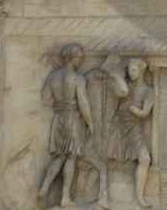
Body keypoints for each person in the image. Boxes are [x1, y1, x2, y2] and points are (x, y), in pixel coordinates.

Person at [37, 44, 94, 208]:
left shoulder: (52, 77)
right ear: (70, 57)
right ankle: (65, 197)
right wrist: (90, 123)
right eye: (78, 57)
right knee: (71, 157)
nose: (80, 60)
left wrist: (60, 101)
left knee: (60, 157)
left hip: (58, 118)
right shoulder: (77, 78)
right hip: (72, 117)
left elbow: (45, 100)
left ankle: (44, 188)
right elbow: (83, 103)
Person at [101, 58, 154, 203]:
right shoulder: (125, 85)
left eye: (133, 69)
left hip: (134, 128)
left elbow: (145, 113)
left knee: (145, 159)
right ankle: (100, 194)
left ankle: (139, 196)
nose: (130, 72)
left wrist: (133, 109)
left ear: (141, 71)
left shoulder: (148, 91)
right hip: (118, 125)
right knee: (104, 157)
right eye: (129, 69)